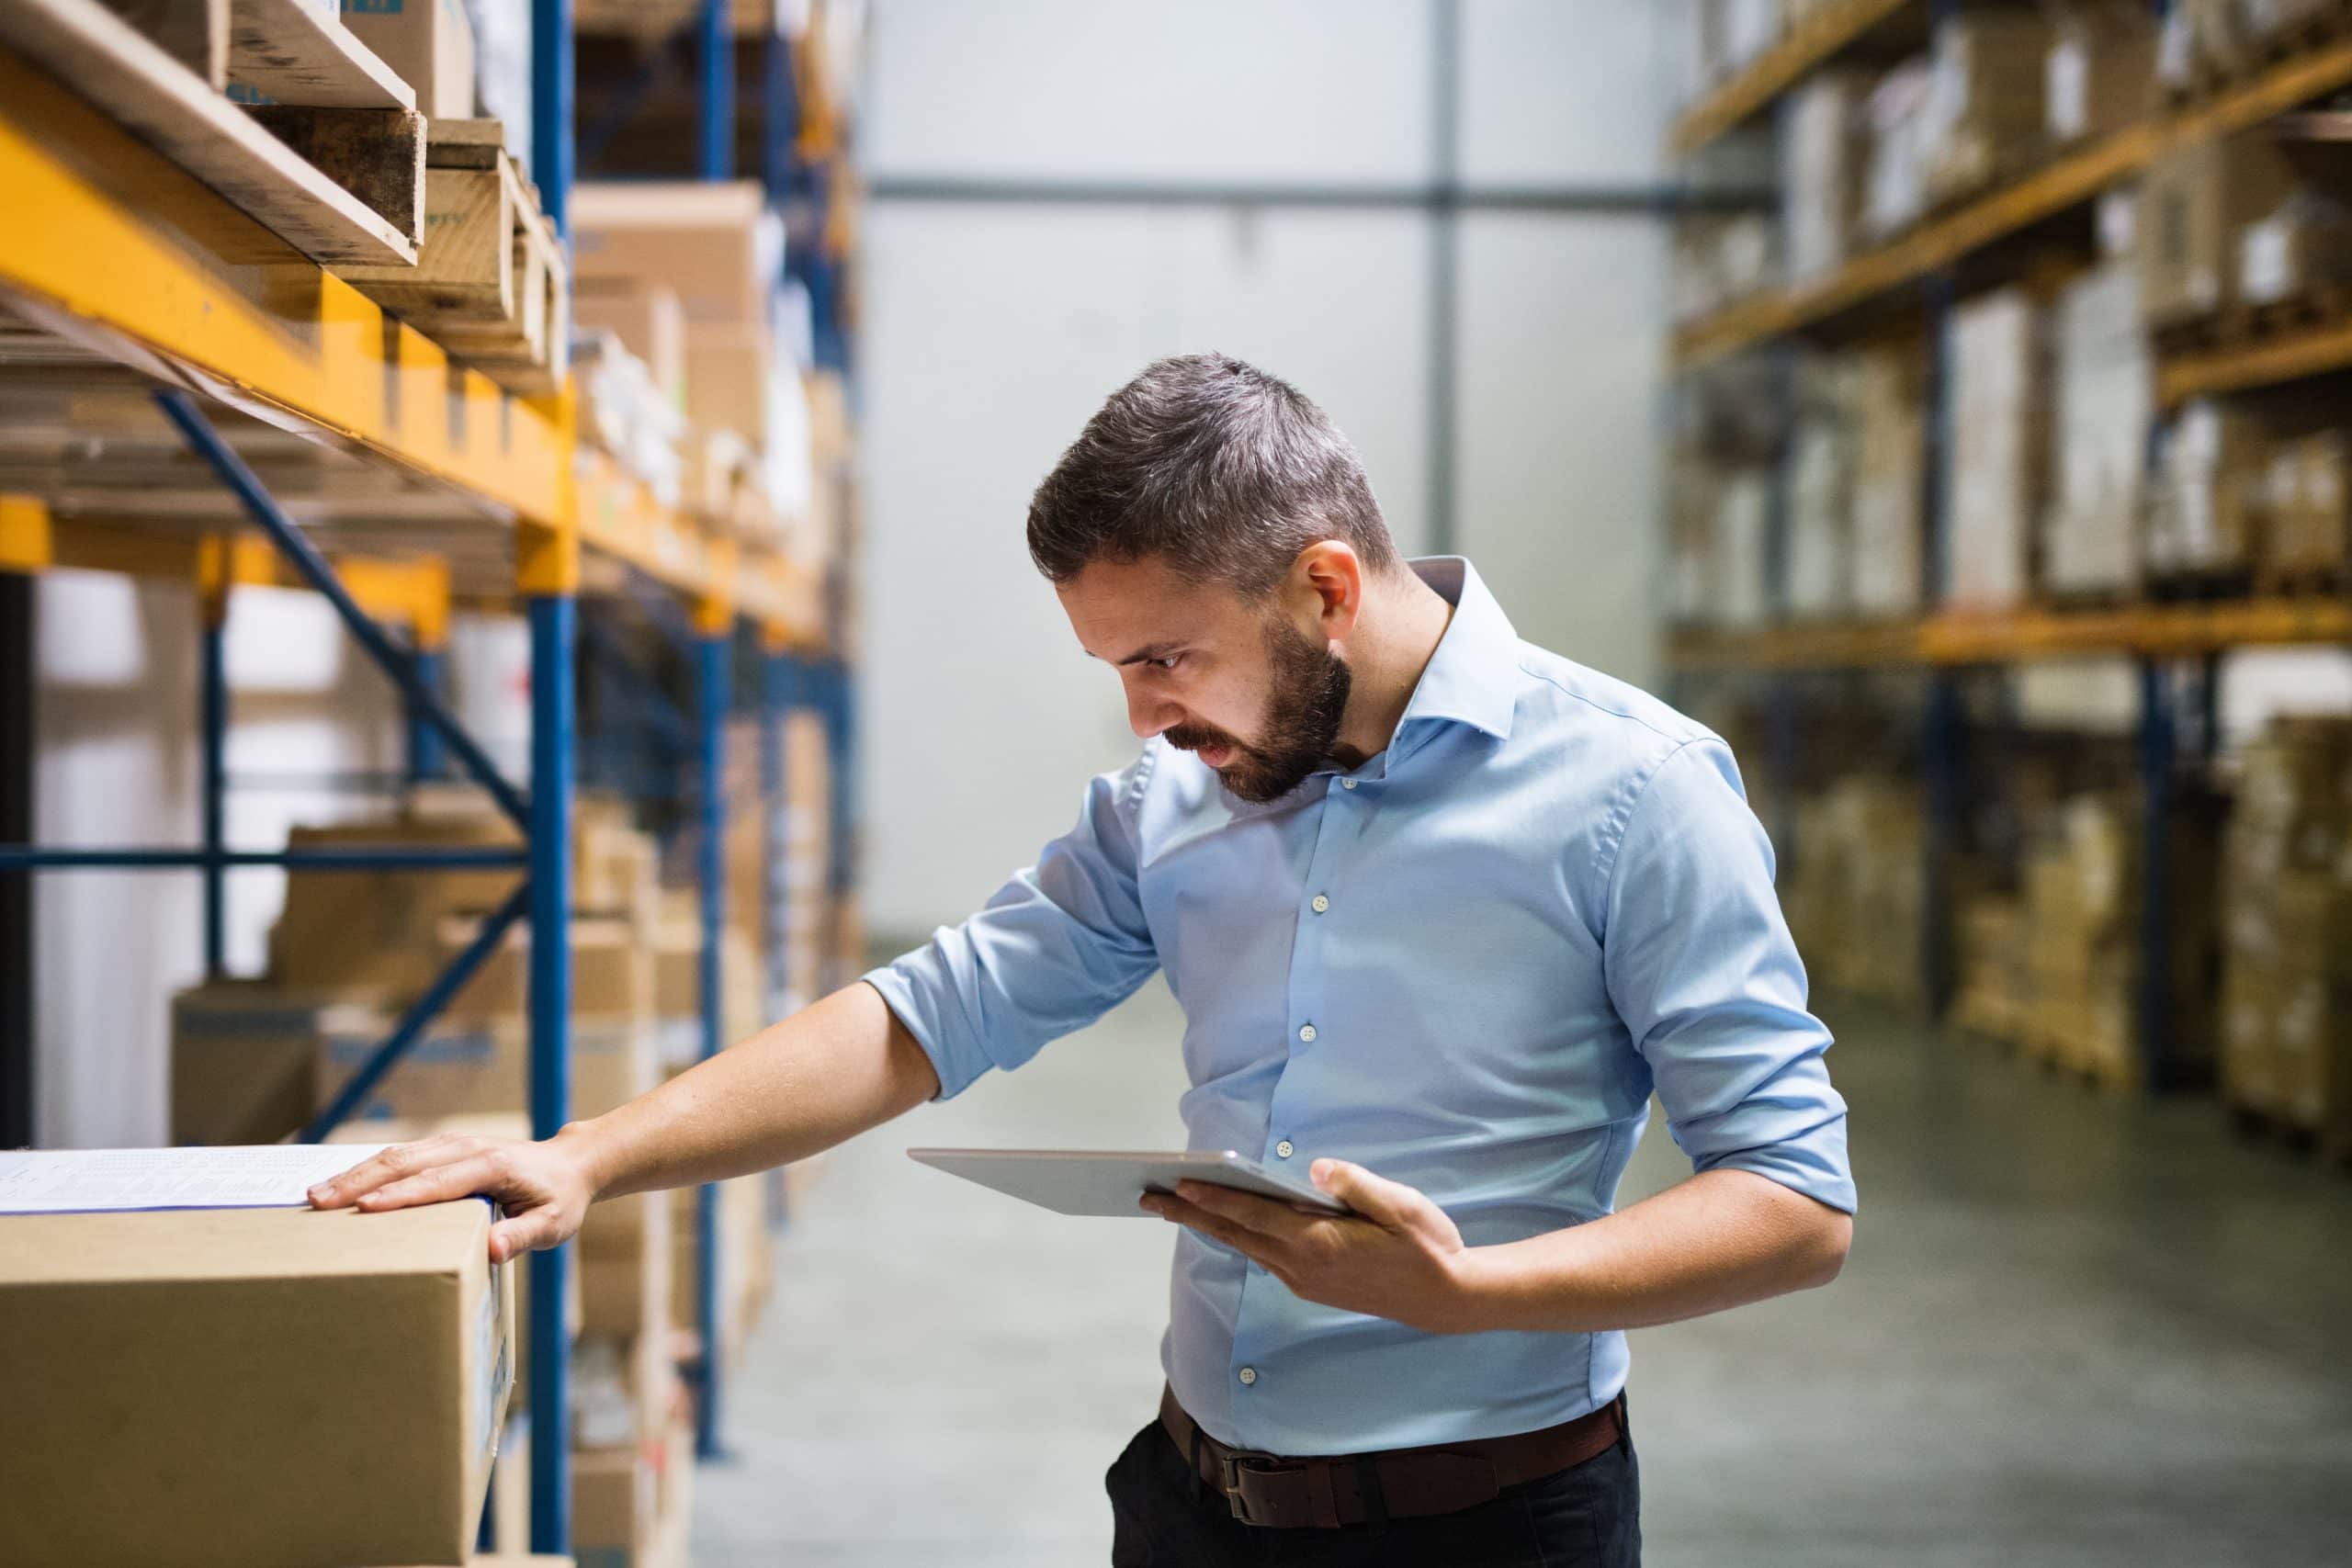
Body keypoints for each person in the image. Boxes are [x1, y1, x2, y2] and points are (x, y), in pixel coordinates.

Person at [311, 353, 1855, 1567]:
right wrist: (591, 1155)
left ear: (1323, 587)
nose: (1144, 721)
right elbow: (927, 1013)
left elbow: (1794, 1201)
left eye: (1165, 659)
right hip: (1194, 1504)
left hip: (1494, 1522)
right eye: (1117, 669)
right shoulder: (1173, 801)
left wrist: (1473, 1293)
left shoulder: (1637, 792)